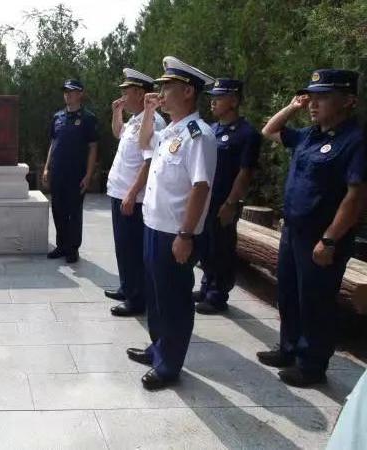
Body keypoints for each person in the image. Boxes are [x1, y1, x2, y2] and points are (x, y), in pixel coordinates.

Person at [258, 69, 364, 387]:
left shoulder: (355, 141)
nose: (314, 105)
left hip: (322, 238)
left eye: (323, 97)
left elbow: (356, 196)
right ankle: (288, 348)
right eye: (312, 98)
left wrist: (330, 240)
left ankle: (312, 364)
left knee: (316, 301)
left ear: (348, 101)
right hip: (292, 231)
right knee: (289, 293)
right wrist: (293, 107)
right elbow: (269, 130)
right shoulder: (309, 135)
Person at [126, 56, 217, 390]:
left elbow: (200, 186)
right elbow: (142, 142)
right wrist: (150, 111)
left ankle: (169, 366)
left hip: (175, 233)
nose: (161, 93)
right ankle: (158, 348)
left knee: (175, 301)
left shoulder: (199, 134)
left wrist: (186, 234)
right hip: (153, 225)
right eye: (160, 87)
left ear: (189, 91)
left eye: (168, 87)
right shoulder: (170, 132)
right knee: (155, 295)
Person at [194, 79, 262, 314]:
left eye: (219, 97)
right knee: (205, 247)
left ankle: (217, 295)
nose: (213, 101)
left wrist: (231, 203)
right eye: (212, 96)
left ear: (234, 101)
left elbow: (245, 173)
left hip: (225, 201)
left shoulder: (247, 134)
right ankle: (205, 286)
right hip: (206, 201)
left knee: (222, 248)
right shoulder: (211, 129)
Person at [105, 68, 166, 317]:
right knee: (123, 246)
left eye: (126, 92)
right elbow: (117, 132)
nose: (122, 95)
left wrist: (132, 193)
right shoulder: (134, 120)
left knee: (132, 248)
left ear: (140, 93)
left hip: (134, 197)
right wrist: (116, 112)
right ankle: (127, 286)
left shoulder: (153, 121)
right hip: (119, 192)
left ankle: (136, 298)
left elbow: (149, 162)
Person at [42, 79, 99, 263]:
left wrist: (89, 175)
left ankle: (73, 248)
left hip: (76, 173)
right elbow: (53, 143)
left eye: (71, 91)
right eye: (65, 91)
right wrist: (46, 168)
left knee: (74, 211)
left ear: (80, 93)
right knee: (58, 209)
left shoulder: (88, 118)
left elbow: (93, 147)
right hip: (57, 171)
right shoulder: (57, 116)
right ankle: (61, 245)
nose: (67, 94)